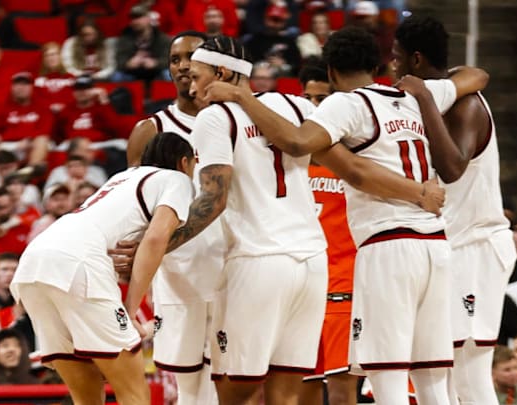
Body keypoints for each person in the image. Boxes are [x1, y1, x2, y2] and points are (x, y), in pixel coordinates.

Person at [201, 27, 488, 404]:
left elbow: (298, 142)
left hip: (389, 245)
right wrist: (421, 86)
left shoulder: (346, 104)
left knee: (388, 380)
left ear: (332, 72)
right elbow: (477, 76)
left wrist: (243, 96)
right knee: (433, 380)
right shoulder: (416, 94)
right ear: (378, 63)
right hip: (436, 244)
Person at [9, 132, 197, 404]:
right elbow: (156, 239)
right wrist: (130, 310)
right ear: (184, 163)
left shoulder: (121, 177)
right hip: (77, 261)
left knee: (86, 395)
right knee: (133, 390)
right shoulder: (177, 180)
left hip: (34, 261)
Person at [391, 15, 517, 405]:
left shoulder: (466, 108)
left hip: (477, 248)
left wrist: (425, 98)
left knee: (470, 376)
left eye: (397, 59)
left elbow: (453, 167)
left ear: (414, 60)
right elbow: (474, 72)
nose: (393, 68)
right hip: (451, 246)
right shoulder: (445, 91)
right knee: (437, 372)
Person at [126, 30, 221, 405]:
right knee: (186, 383)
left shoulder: (235, 122)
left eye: (191, 56)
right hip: (179, 267)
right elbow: (133, 206)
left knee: (227, 376)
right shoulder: (151, 130)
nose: (183, 65)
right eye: (175, 59)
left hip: (231, 261)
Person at [298, 62, 358, 405]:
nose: (314, 107)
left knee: (340, 392)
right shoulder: (292, 156)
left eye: (322, 98)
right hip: (302, 287)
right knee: (300, 390)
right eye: (308, 98)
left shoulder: (356, 155)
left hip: (343, 285)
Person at [0, 71, 53, 167]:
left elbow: (45, 131)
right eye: (17, 84)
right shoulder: (1, 106)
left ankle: (28, 172)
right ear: (12, 87)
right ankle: (0, 175)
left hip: (30, 145)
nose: (21, 87)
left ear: (32, 87)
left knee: (42, 140)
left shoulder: (42, 107)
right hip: (7, 146)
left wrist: (28, 141)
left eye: (25, 84)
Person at [113, 5, 171, 82]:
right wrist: (128, 63)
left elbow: (169, 60)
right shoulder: (125, 39)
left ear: (149, 19)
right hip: (132, 72)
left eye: (139, 17)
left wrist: (155, 63)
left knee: (168, 74)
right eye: (132, 18)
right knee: (117, 76)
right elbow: (119, 61)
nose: (135, 21)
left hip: (156, 71)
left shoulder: (162, 38)